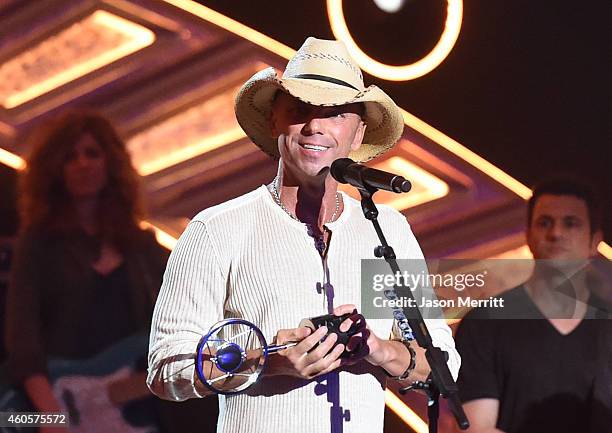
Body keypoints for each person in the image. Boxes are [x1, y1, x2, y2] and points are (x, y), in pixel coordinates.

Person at [147, 37, 460, 433]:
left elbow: (442, 364)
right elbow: (164, 367)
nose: (315, 126)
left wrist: (378, 350)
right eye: (300, 110)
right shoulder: (217, 229)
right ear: (275, 120)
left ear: (358, 133)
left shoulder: (388, 230)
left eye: (335, 114)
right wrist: (267, 360)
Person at [5, 111, 169, 432]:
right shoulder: (38, 244)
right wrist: (51, 416)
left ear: (111, 164)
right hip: (52, 403)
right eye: (70, 157)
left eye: (92, 153)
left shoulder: (141, 247)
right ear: (54, 171)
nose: (82, 163)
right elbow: (22, 342)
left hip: (131, 411)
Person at [455, 178, 612, 433]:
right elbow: (475, 428)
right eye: (545, 222)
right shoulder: (485, 322)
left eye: (570, 223)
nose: (556, 233)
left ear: (595, 241)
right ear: (528, 235)